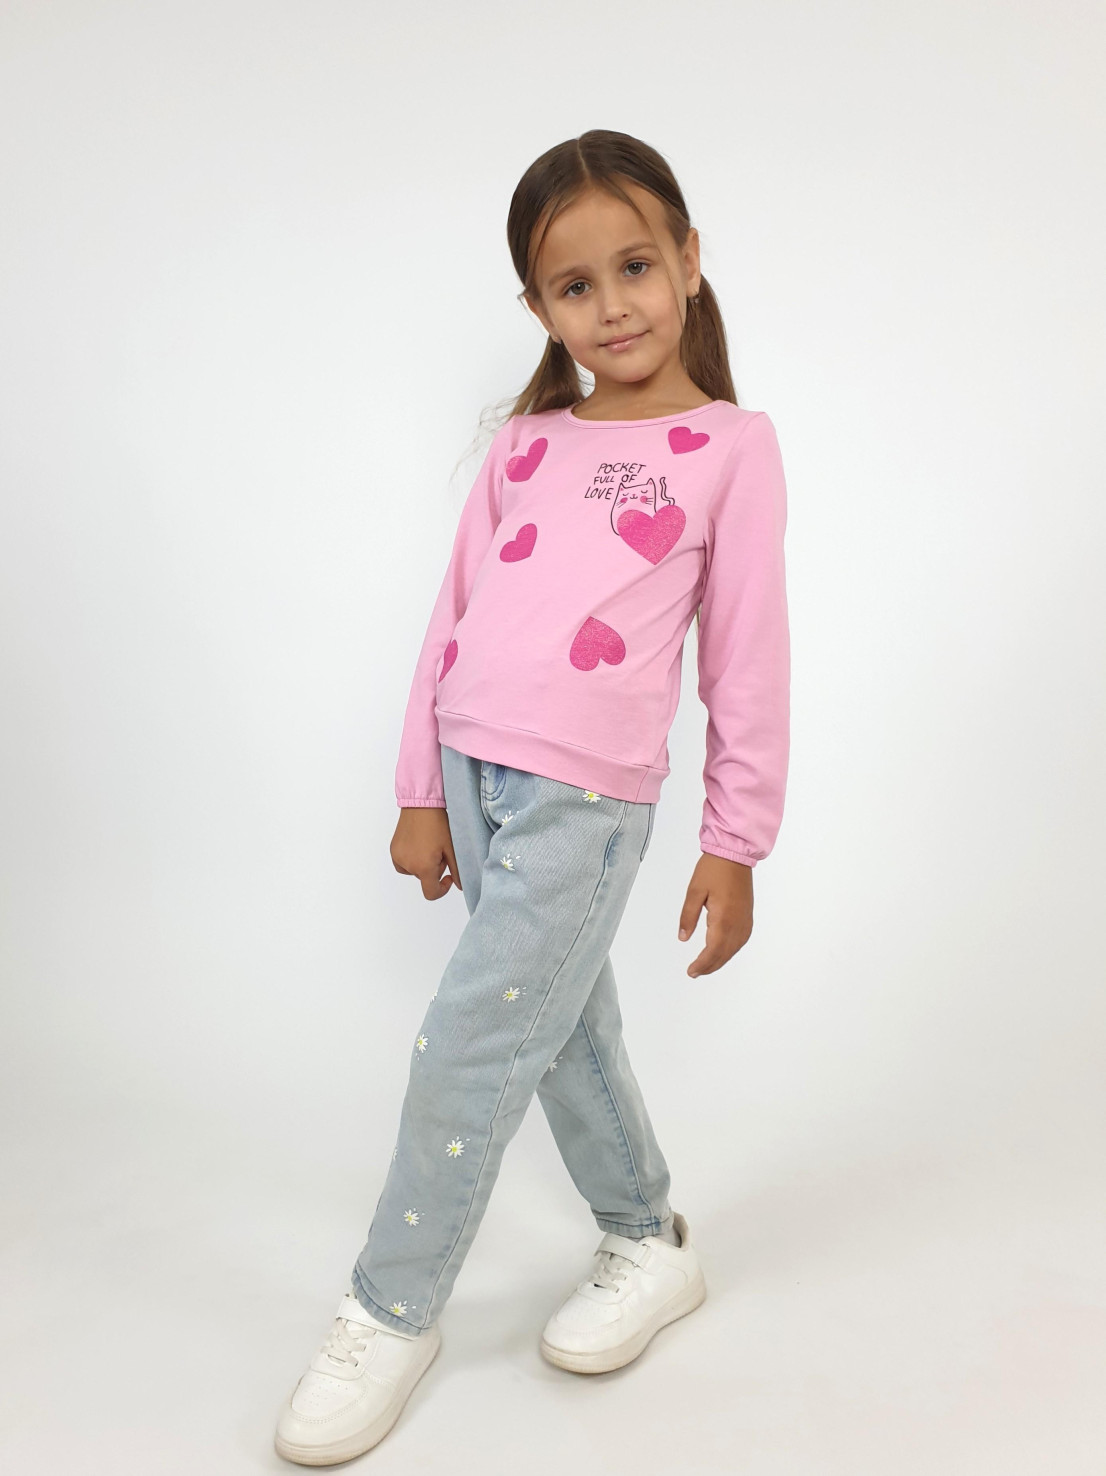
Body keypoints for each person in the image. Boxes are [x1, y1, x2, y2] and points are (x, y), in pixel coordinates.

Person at [274, 127, 791, 1466]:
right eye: (574, 285)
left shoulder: (729, 447)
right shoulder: (523, 443)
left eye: (635, 266)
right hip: (469, 769)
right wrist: (420, 790)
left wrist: (735, 839)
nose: (612, 305)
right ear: (538, 306)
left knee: (467, 1044)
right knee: (557, 1030)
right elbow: (451, 619)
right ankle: (646, 1238)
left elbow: (745, 657)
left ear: (687, 258)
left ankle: (389, 1307)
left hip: (583, 799)